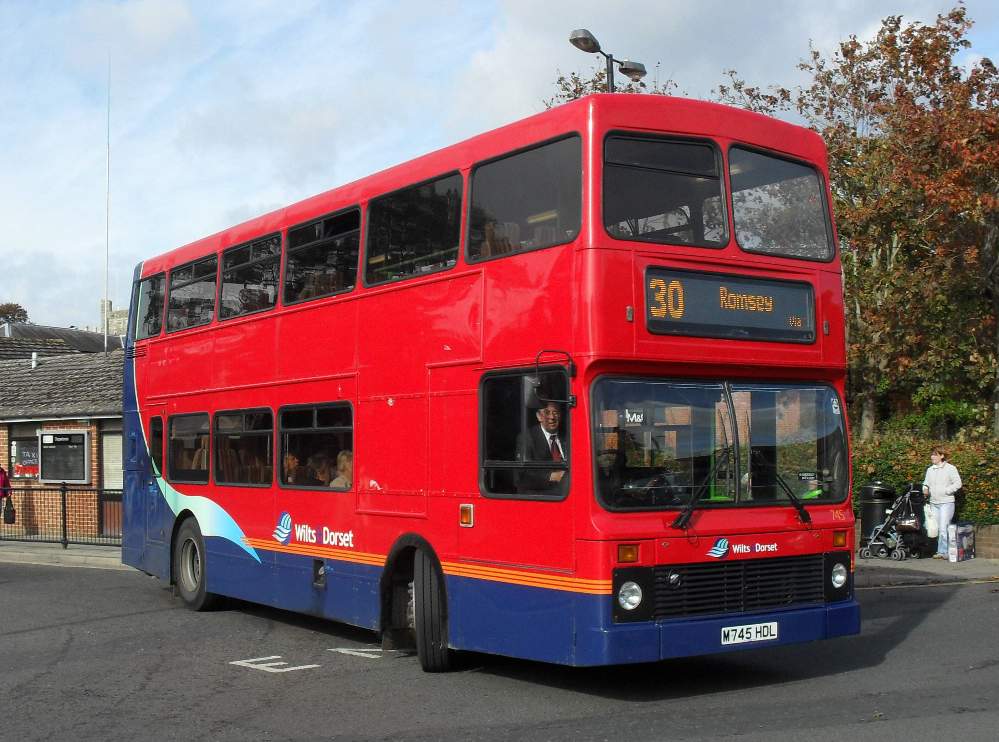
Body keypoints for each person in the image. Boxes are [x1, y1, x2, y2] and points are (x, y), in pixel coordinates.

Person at [517, 401, 568, 493]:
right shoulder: (527, 438)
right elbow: (523, 473)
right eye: (547, 412)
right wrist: (552, 476)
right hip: (542, 494)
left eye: (555, 413)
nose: (552, 417)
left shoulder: (568, 436)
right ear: (539, 416)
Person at [922, 445, 962, 559]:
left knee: (944, 528)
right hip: (934, 503)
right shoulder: (930, 470)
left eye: (935, 455)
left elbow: (958, 483)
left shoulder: (950, 468)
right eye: (932, 455)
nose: (932, 457)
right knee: (937, 528)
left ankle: (944, 552)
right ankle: (941, 551)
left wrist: (947, 491)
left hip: (946, 502)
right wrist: (925, 489)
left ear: (942, 456)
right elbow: (926, 483)